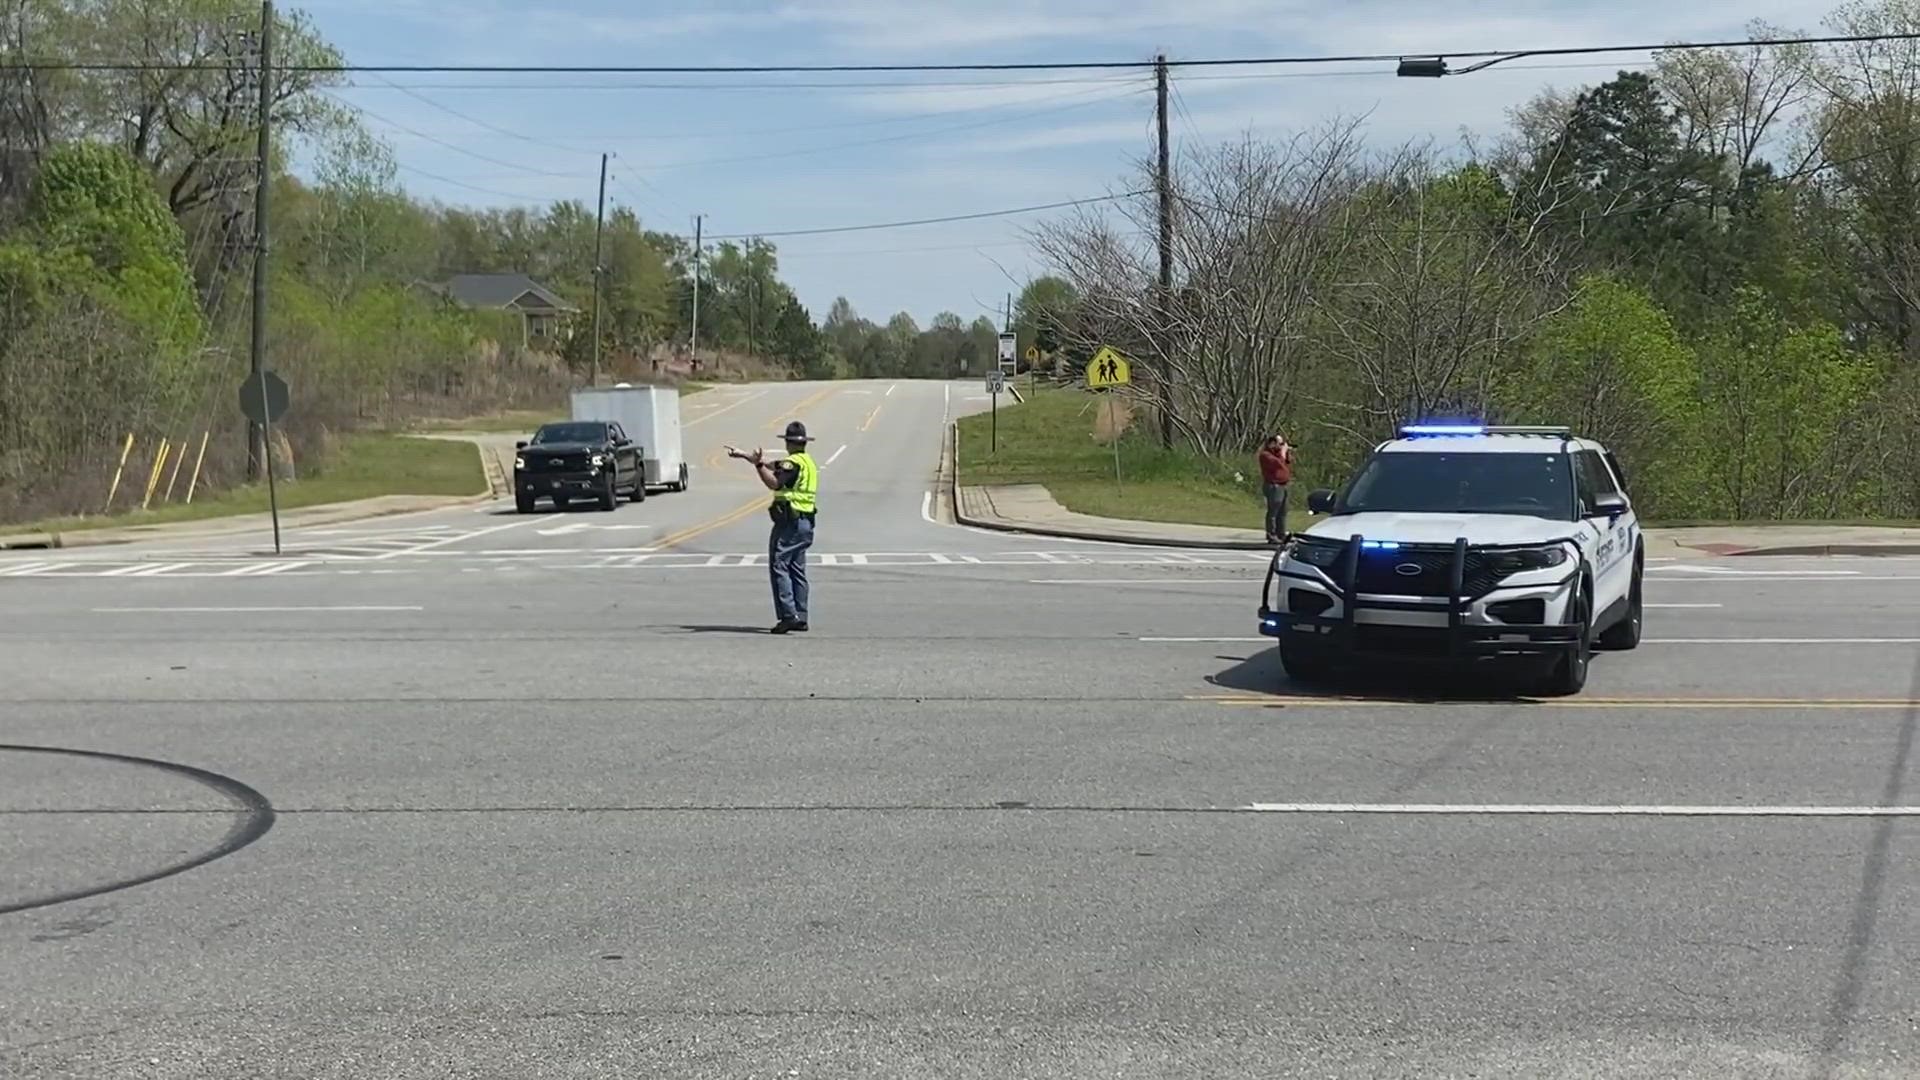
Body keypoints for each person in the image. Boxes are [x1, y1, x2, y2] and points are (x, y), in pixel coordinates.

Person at [725, 420, 820, 634]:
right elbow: (775, 465)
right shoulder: (806, 462)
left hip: (790, 522)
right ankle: (801, 615)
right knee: (796, 568)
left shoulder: (793, 463)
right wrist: (746, 456)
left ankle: (788, 615)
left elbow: (774, 482)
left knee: (779, 564)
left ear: (789, 442)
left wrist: (758, 466)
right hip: (805, 522)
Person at [1257, 433, 1294, 545]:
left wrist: (1287, 452)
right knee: (1274, 510)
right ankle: (1271, 534)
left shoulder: (1279, 454)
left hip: (1283, 485)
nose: (1281, 446)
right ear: (1271, 443)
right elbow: (1277, 464)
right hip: (1273, 486)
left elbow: (1288, 461)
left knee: (1283, 511)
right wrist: (1282, 452)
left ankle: (1281, 534)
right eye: (1279, 443)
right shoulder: (1265, 455)